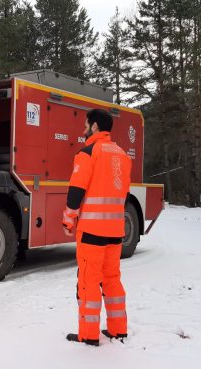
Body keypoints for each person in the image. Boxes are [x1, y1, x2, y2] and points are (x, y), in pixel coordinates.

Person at [62, 108, 131, 346]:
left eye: (86, 124)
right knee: (112, 279)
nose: (83, 129)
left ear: (94, 127)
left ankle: (89, 335)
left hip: (92, 231)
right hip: (116, 231)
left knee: (89, 281)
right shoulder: (122, 155)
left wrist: (68, 219)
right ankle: (118, 329)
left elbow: (76, 190)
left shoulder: (88, 152)